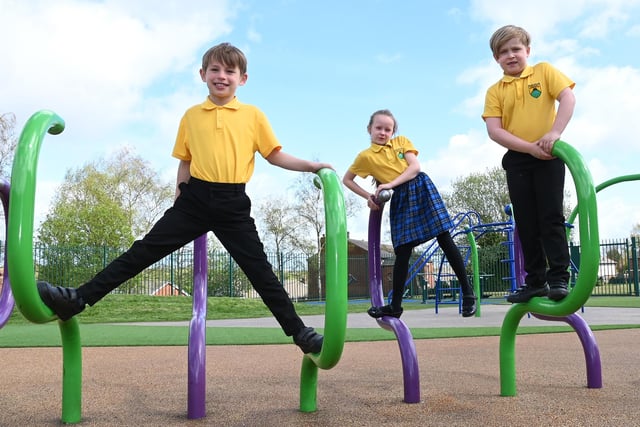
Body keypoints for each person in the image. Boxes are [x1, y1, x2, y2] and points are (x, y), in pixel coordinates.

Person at [37, 42, 331, 354]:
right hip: (195, 200)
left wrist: (311, 166)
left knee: (261, 273)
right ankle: (78, 299)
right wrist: (180, 196)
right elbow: (186, 161)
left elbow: (275, 155)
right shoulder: (192, 116)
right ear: (203, 74)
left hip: (233, 204)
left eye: (229, 71)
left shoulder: (253, 116)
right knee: (142, 252)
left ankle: (301, 334)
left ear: (242, 79)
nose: (222, 76)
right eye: (215, 70)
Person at [343, 109, 477, 318]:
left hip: (419, 187)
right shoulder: (365, 157)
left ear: (393, 131)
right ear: (369, 129)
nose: (383, 132)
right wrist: (368, 196)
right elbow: (347, 180)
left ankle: (468, 293)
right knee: (402, 250)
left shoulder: (401, 142)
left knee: (444, 237)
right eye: (378, 128)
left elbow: (414, 167)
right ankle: (395, 306)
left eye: (388, 129)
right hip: (400, 199)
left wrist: (390, 183)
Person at [482, 25, 576, 303]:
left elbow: (568, 97)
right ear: (496, 58)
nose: (511, 55)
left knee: (550, 217)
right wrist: (528, 149)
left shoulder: (544, 72)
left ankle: (558, 277)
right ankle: (535, 280)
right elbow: (495, 130)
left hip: (548, 155)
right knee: (525, 223)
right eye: (503, 52)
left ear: (528, 51)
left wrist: (554, 133)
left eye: (516, 49)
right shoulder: (495, 91)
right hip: (519, 158)